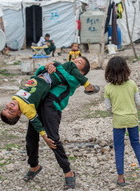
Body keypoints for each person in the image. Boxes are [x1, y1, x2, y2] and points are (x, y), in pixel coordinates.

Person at [24, 57, 99, 189]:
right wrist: (47, 66)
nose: (75, 62)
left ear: (81, 73)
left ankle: (68, 172)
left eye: (79, 63)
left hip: (52, 106)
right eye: (75, 60)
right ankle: (34, 166)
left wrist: (57, 66)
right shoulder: (59, 69)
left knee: (53, 139)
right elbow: (37, 76)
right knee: (30, 138)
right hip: (38, 102)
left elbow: (66, 77)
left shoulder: (75, 80)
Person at [104, 56, 140, 186]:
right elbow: (138, 102)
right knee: (136, 144)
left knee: (119, 148)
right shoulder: (132, 84)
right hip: (132, 118)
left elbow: (108, 108)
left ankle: (121, 178)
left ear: (109, 71)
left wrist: (115, 111)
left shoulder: (108, 88)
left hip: (118, 120)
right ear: (126, 69)